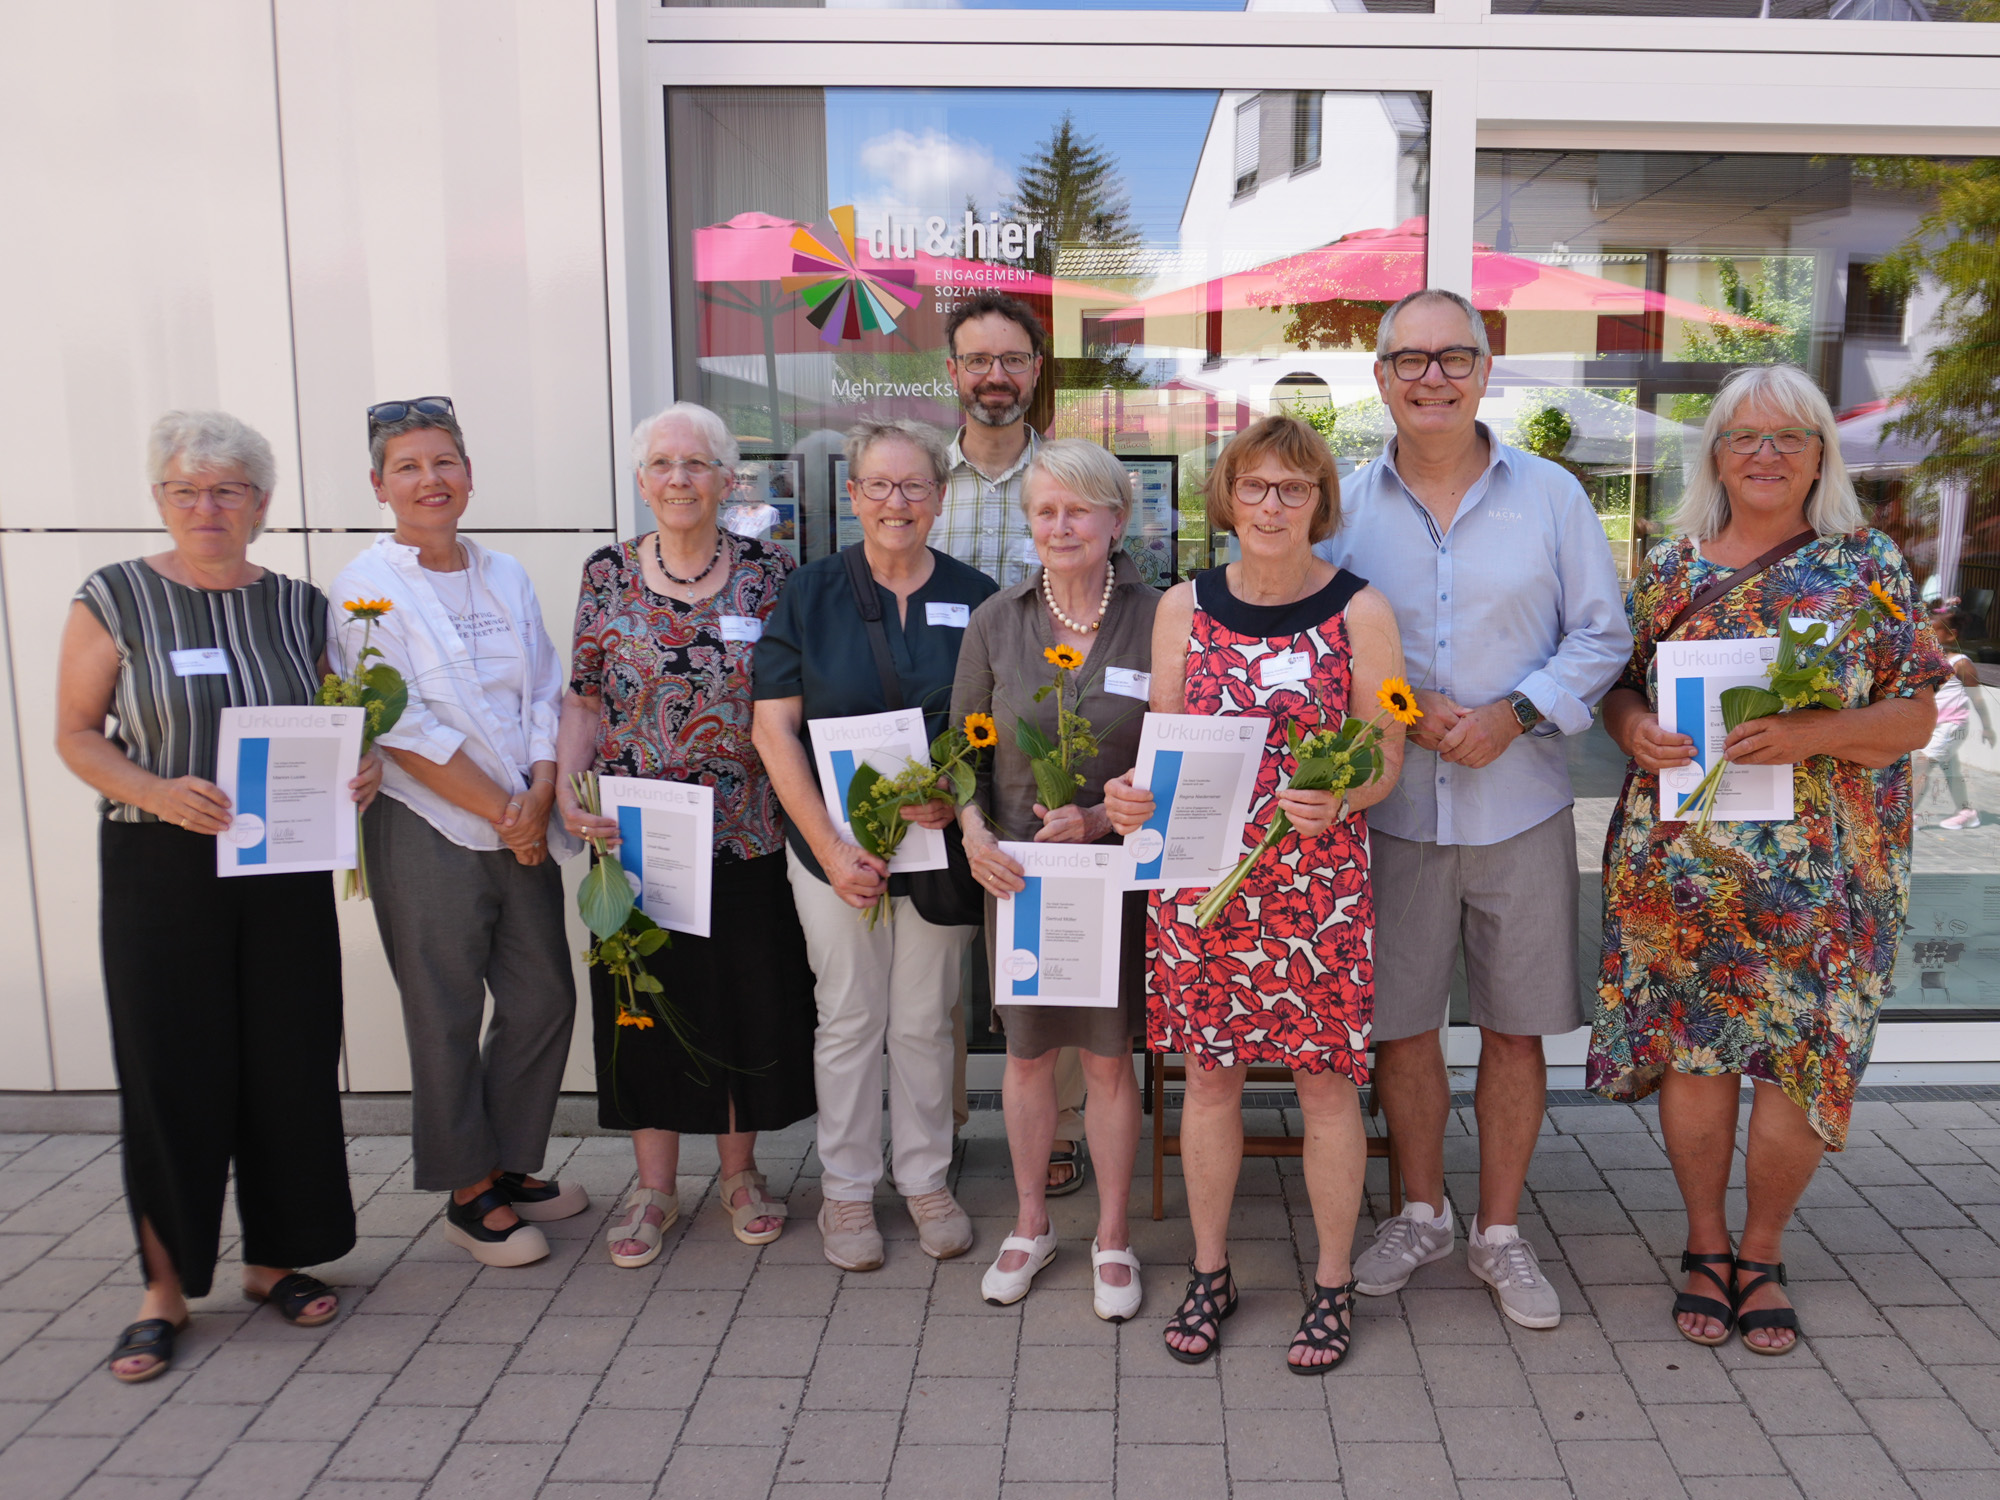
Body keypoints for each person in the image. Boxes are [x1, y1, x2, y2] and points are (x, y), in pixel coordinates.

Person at [1594, 363, 1945, 1354]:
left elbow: (1916, 712)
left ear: (1818, 455)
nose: (1763, 454)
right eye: (1744, 436)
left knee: (1797, 1069)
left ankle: (1759, 1249)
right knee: (1697, 1059)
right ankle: (1703, 1244)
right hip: (1686, 871)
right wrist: (1631, 733)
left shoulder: (1866, 566)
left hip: (1824, 878)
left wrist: (1814, 734)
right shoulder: (1670, 568)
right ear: (1713, 452)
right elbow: (1618, 688)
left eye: (1787, 438)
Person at [1317, 288, 1632, 1332]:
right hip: (1391, 808)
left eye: (1453, 357)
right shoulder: (1343, 508)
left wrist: (1516, 712)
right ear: (1379, 379)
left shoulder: (1551, 498)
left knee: (1512, 1026)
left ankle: (1498, 1232)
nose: (1431, 377)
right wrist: (1389, 721)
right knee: (1400, 1028)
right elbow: (1319, 650)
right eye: (1408, 360)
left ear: (1485, 370)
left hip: (1519, 799)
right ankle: (1420, 1213)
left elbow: (1599, 635)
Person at [54, 411, 378, 1382]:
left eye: (228, 490)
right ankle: (163, 1289)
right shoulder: (114, 598)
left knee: (287, 1060)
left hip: (281, 867)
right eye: (186, 490)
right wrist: (154, 789)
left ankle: (276, 1258)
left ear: (261, 507)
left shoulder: (298, 605)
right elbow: (76, 733)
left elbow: (331, 719)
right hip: (161, 867)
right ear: (160, 499)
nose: (207, 506)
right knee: (170, 1072)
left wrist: (352, 773)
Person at [1105, 415, 1407, 1372]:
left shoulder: (1361, 610)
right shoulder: (1182, 608)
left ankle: (1331, 1281)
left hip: (1317, 886)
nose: (1272, 505)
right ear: (1227, 496)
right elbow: (1164, 742)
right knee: (1211, 1082)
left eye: (1293, 488)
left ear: (1320, 500)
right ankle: (1210, 1269)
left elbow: (1387, 758)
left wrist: (1344, 795)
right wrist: (1129, 799)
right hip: (1203, 880)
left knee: (1326, 1089)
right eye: (1255, 487)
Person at [558, 401, 816, 1267]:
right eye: (663, 465)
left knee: (745, 1002)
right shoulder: (604, 574)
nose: (679, 479)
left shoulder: (771, 573)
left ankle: (742, 1177)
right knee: (645, 1012)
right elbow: (585, 697)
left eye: (697, 464)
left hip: (748, 832)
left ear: (726, 479)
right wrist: (567, 786)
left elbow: (793, 702)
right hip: (636, 844)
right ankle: (654, 1188)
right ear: (642, 480)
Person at [331, 397, 586, 1269]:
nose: (429, 481)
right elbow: (398, 725)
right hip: (429, 826)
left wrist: (541, 791)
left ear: (469, 477)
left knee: (544, 997)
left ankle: (511, 1164)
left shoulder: (505, 575)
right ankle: (467, 1190)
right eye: (408, 467)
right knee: (442, 1009)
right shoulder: (363, 589)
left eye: (444, 463)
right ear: (378, 486)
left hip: (522, 815)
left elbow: (546, 693)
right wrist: (503, 812)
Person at [752, 419, 999, 1272]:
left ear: (940, 496)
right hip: (833, 846)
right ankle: (849, 1194)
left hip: (936, 847)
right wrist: (827, 843)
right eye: (879, 486)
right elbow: (774, 729)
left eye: (915, 486)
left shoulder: (978, 596)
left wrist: (953, 793)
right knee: (851, 1017)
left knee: (927, 1020)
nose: (897, 502)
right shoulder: (809, 592)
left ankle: (926, 1179)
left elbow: (990, 726)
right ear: (852, 495)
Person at [951, 439, 1158, 1321]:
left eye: (1080, 509)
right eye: (1046, 510)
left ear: (1116, 520)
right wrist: (970, 835)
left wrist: (1107, 817)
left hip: (1115, 877)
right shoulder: (999, 620)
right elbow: (961, 748)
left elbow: (1179, 752)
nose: (1061, 525)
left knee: (1110, 1061)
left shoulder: (1161, 619)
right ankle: (1031, 1224)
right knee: (1029, 1055)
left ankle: (1113, 1237)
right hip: (1021, 880)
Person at [932, 289, 1088, 1199]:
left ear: (1037, 372)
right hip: (945, 733)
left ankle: (1063, 1123)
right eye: (978, 361)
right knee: (948, 942)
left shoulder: (1069, 475)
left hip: (1050, 743)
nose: (996, 377)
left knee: (1059, 939)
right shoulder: (921, 478)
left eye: (1013, 361)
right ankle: (945, 1127)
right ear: (952, 374)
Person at [1915, 603, 1991, 828]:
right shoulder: (1931, 662)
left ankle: (1907, 816)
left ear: (1951, 635)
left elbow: (1977, 698)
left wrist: (1987, 727)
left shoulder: (1961, 664)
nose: (1927, 635)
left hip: (1951, 725)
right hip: (1937, 725)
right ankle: (1967, 813)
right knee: (1951, 771)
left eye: (1933, 630)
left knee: (1922, 764)